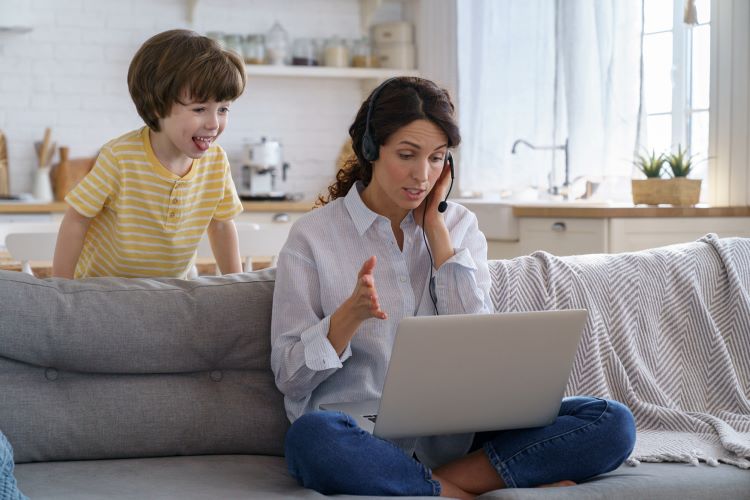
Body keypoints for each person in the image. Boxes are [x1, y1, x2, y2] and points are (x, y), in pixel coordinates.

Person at [270, 77, 636, 499]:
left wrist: (436, 230)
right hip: (360, 435)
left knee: (611, 421)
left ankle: (441, 487)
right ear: (370, 150)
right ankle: (468, 489)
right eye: (407, 155)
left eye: (437, 159)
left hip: (456, 435)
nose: (421, 175)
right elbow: (290, 378)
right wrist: (347, 317)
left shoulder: (459, 226)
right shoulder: (311, 237)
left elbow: (478, 341)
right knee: (312, 440)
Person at [52, 29, 245, 279]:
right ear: (156, 107)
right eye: (200, 109)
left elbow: (220, 225)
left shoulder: (217, 162)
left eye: (223, 109)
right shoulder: (120, 157)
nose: (214, 124)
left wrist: (236, 284)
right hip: (102, 293)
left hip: (170, 294)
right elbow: (76, 220)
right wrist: (61, 289)